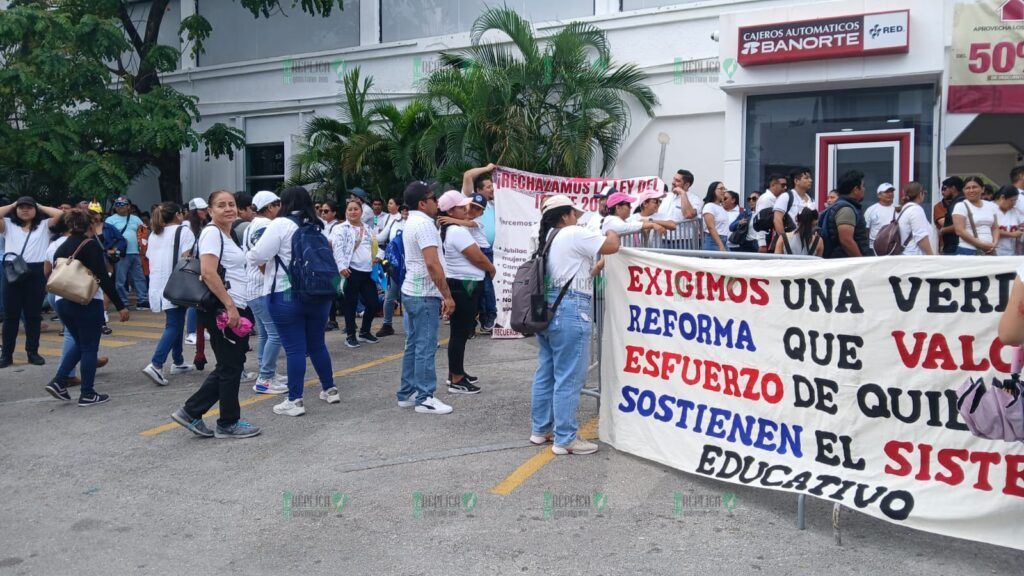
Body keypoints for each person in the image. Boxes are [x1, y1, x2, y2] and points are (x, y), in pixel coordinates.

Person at [530, 195, 620, 455]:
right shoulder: (572, 233)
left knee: (546, 373)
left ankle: (541, 430)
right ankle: (566, 438)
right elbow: (612, 244)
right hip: (570, 310)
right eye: (574, 214)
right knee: (569, 378)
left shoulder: (547, 238)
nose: (576, 218)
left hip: (548, 309)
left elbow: (573, 272)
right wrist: (614, 224)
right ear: (565, 215)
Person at [170, 190, 261, 439]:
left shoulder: (226, 234)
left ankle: (191, 412)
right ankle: (228, 422)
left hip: (231, 305)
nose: (228, 209)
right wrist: (230, 306)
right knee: (231, 366)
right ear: (210, 211)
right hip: (224, 308)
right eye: (221, 205)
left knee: (230, 364)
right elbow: (209, 273)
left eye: (231, 204)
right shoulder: (212, 233)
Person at [248, 186, 338, 417]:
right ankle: (330, 389)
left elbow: (258, 256)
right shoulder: (317, 225)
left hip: (286, 294)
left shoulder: (280, 224)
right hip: (319, 293)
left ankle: (295, 400)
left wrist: (248, 254)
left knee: (294, 348)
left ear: (284, 204)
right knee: (317, 344)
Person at [43, 209, 129, 405]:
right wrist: (120, 305)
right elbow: (104, 279)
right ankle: (87, 393)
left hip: (63, 301)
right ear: (90, 225)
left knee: (80, 343)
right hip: (86, 302)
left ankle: (59, 381)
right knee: (90, 347)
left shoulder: (60, 247)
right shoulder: (90, 246)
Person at [396, 181, 455, 415]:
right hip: (424, 293)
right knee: (426, 345)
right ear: (422, 203)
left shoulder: (411, 221)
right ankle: (425, 397)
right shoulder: (425, 225)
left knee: (413, 344)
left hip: (412, 290)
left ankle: (407, 392)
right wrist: (447, 296)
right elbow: (432, 263)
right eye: (433, 198)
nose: (437, 202)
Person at [436, 191, 495, 393]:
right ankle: (457, 379)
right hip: (465, 285)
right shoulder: (457, 231)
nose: (466, 210)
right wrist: (491, 268)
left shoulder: (450, 229)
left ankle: (455, 372)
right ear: (451, 210)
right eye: (462, 207)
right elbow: (476, 256)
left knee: (459, 332)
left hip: (462, 283)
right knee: (460, 333)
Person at [0, 197, 62, 367]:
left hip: (36, 272)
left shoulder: (44, 226)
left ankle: (33, 353)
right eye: (21, 207)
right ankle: (6, 355)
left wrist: (40, 206)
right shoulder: (8, 224)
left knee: (33, 316)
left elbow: (61, 214)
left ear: (35, 209)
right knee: (11, 316)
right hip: (12, 271)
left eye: (28, 207)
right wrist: (13, 204)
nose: (24, 210)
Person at [141, 202, 198, 386]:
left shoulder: (155, 234)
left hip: (159, 284)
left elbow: (150, 257)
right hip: (177, 284)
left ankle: (178, 360)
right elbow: (187, 257)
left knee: (175, 321)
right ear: (178, 215)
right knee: (174, 325)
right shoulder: (184, 231)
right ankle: (156, 364)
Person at [243, 191, 287, 395]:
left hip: (252, 288)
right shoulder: (265, 226)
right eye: (278, 204)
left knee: (265, 334)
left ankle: (266, 372)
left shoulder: (252, 225)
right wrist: (269, 278)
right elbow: (263, 259)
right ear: (270, 207)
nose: (280, 208)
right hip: (261, 288)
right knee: (275, 334)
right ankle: (265, 378)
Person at [331, 198, 381, 348]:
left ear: (361, 211)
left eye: (356, 209)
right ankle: (350, 335)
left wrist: (378, 256)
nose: (353, 212)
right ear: (346, 212)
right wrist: (341, 267)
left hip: (367, 272)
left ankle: (365, 331)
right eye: (350, 209)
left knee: (374, 303)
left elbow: (375, 245)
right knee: (350, 305)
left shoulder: (368, 228)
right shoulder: (341, 228)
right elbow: (337, 248)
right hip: (350, 271)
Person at [105, 196, 148, 309]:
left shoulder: (135, 219)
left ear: (128, 207)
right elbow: (107, 237)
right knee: (121, 279)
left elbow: (144, 232)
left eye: (122, 204)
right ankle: (123, 302)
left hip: (136, 252)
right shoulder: (110, 220)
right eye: (117, 205)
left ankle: (142, 300)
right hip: (121, 253)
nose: (119, 207)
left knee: (139, 277)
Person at [376, 200, 406, 338]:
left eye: (408, 209)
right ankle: (387, 324)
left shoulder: (419, 222)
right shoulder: (394, 221)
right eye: (404, 209)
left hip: (411, 265)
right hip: (395, 265)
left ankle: (412, 329)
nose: (405, 212)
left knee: (409, 299)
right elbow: (380, 239)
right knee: (389, 297)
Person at [822, 170, 870, 258]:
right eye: (863, 186)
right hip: (847, 264)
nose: (864, 189)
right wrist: (861, 261)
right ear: (856, 190)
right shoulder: (846, 210)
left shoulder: (845, 206)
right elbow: (846, 240)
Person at [184, 198, 210, 346]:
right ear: (194, 211)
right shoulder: (187, 226)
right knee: (195, 301)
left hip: (201, 264)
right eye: (202, 209)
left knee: (203, 300)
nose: (205, 212)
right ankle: (191, 332)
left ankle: (200, 329)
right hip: (192, 266)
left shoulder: (202, 224)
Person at [952, 176, 1000, 256]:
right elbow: (960, 231)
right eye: (967, 188)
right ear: (963, 190)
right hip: (968, 250)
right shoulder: (960, 206)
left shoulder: (991, 206)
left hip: (989, 251)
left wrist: (994, 243)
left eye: (974, 187)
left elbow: (995, 227)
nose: (971, 190)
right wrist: (982, 245)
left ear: (982, 189)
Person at [747, 174, 787, 252]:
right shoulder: (767, 199)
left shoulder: (773, 198)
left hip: (769, 238)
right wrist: (762, 244)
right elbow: (761, 222)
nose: (785, 188)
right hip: (766, 239)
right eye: (782, 185)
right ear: (773, 185)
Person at [319, 200, 343, 331]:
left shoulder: (336, 227)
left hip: (333, 263)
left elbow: (332, 243)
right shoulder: (324, 225)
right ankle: (331, 319)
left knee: (336, 292)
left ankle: (333, 320)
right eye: (322, 211)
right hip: (326, 262)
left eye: (326, 211)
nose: (323, 213)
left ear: (334, 212)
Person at [897, 182, 935, 256]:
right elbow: (921, 237)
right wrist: (931, 256)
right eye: (924, 193)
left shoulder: (903, 209)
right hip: (915, 257)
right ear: (920, 194)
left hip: (906, 255)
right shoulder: (916, 209)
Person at [773, 168, 814, 237]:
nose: (810, 180)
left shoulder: (811, 200)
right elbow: (777, 219)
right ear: (796, 181)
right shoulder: (786, 197)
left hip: (807, 241)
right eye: (806, 178)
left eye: (810, 178)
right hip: (789, 241)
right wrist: (784, 240)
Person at [935, 176, 965, 255]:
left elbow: (960, 225)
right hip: (954, 245)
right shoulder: (958, 202)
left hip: (955, 246)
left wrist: (943, 230)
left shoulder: (959, 203)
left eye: (945, 189)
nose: (942, 192)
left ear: (953, 188)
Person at [864, 183, 898, 251]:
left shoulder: (897, 209)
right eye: (886, 192)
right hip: (874, 249)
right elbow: (866, 230)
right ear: (879, 195)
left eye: (891, 191)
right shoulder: (871, 210)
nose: (890, 194)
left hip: (892, 249)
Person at [700, 181, 730, 252]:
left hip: (723, 241)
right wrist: (720, 245)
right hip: (714, 241)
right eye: (721, 189)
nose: (723, 191)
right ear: (713, 190)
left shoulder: (720, 207)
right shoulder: (709, 206)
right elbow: (711, 227)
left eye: (724, 189)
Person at [995, 185, 1023, 256]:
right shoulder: (991, 208)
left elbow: (1022, 226)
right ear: (1002, 197)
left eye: (1016, 200)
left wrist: (1021, 229)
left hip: (1011, 253)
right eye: (1012, 200)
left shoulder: (1016, 211)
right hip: (994, 252)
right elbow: (992, 229)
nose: (1014, 203)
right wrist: (1012, 234)